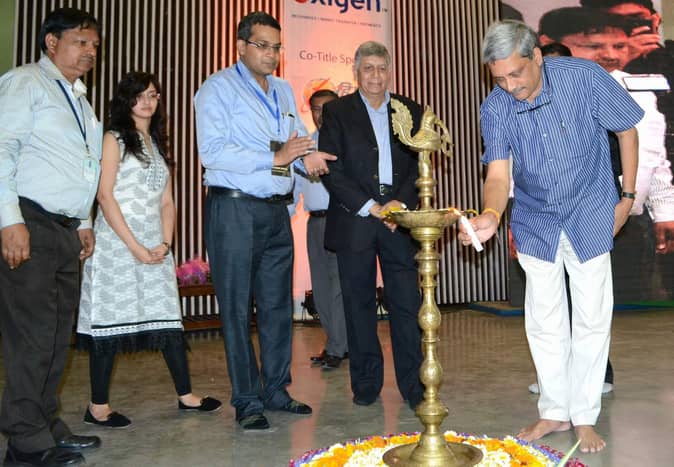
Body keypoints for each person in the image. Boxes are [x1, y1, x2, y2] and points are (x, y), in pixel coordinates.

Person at [461, 20, 643, 453]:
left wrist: (627, 197)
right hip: (535, 219)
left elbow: (627, 130)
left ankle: (585, 415)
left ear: (537, 56)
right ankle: (555, 410)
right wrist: (491, 214)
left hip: (590, 210)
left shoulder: (584, 78)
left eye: (516, 74)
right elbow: (498, 174)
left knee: (591, 317)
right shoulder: (495, 107)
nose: (510, 87)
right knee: (543, 321)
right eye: (499, 78)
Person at [194, 11, 335, 431]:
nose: (271, 54)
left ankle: (275, 389)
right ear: (240, 46)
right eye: (262, 46)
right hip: (234, 209)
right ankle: (246, 399)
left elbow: (292, 144)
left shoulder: (284, 90)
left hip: (276, 210)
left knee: (277, 306)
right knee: (237, 307)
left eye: (276, 47)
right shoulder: (217, 88)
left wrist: (305, 159)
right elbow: (212, 152)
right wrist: (274, 157)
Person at [76, 72, 222, 429]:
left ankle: (186, 396)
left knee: (168, 319)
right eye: (139, 95)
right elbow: (104, 195)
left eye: (153, 95)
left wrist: (165, 244)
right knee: (108, 325)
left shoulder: (155, 143)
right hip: (117, 243)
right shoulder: (112, 138)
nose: (147, 102)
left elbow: (167, 201)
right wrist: (135, 247)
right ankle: (97, 407)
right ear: (125, 100)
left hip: (155, 245)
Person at [0, 7, 103, 467]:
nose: (90, 51)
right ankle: (24, 439)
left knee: (59, 335)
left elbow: (81, 165)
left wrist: (83, 221)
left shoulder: (79, 99)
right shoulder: (25, 82)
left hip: (63, 230)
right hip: (30, 221)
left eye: (94, 45)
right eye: (81, 41)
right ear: (51, 42)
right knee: (33, 335)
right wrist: (9, 220)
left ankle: (45, 421)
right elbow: (2, 149)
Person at [539, 7, 674, 297]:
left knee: (632, 304)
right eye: (593, 46)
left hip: (631, 224)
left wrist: (664, 210)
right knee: (569, 299)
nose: (610, 55)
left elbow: (653, 156)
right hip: (567, 219)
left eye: (619, 45)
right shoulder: (539, 94)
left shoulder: (637, 89)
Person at [319, 41, 425, 410]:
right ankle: (365, 384)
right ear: (356, 72)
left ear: (390, 71)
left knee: (406, 305)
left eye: (382, 68)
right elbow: (331, 168)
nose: (376, 76)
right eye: (368, 68)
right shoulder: (336, 111)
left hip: (398, 221)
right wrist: (372, 207)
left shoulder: (410, 110)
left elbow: (420, 165)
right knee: (358, 304)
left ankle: (414, 386)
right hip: (356, 220)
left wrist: (400, 204)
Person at [525, 40, 616, 396]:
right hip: (543, 223)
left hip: (588, 216)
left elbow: (615, 150)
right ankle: (556, 382)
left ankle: (597, 378)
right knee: (549, 308)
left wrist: (621, 201)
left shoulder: (588, 100)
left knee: (590, 304)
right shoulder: (523, 109)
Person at [294, 89, 349, 370]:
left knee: (339, 286)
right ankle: (335, 342)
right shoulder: (305, 145)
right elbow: (296, 184)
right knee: (321, 287)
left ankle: (339, 347)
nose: (321, 114)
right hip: (314, 221)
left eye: (327, 108)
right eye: (316, 109)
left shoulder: (347, 140)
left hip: (341, 219)